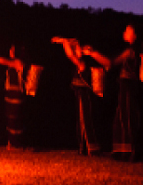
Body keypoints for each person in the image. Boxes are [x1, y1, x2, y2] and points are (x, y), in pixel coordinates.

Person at [85, 25, 142, 161]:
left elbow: (110, 63)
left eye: (128, 30)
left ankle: (131, 152)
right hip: (128, 86)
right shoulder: (134, 50)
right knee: (124, 117)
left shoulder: (131, 51)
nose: (124, 32)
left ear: (136, 34)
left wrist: (93, 53)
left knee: (127, 117)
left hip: (129, 86)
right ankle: (125, 151)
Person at [52, 37, 103, 156]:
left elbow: (70, 55)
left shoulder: (83, 62)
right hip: (82, 93)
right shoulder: (82, 62)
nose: (78, 49)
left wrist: (63, 41)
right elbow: (72, 53)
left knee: (85, 120)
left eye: (82, 48)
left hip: (85, 94)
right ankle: (84, 148)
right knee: (82, 121)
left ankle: (91, 147)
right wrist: (70, 42)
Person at [0, 45, 27, 150]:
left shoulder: (17, 62)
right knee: (11, 118)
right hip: (10, 93)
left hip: (16, 93)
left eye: (12, 49)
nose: (10, 51)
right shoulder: (14, 62)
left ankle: (16, 143)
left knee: (14, 118)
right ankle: (13, 142)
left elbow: (4, 61)